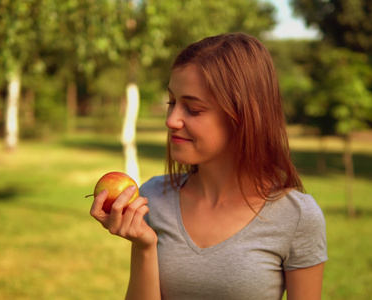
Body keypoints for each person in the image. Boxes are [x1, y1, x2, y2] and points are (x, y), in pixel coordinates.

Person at [90, 32, 327, 300]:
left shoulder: (296, 217)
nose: (171, 120)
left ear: (243, 115)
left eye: (193, 108)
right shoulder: (152, 198)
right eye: (172, 102)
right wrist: (145, 247)